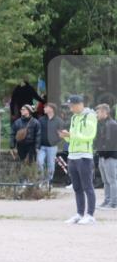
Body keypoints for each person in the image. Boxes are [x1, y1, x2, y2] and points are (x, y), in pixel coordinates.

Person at [58, 95, 98, 225]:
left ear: (79, 104)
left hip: (84, 156)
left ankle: (90, 215)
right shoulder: (74, 117)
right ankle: (80, 214)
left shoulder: (90, 116)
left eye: (71, 106)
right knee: (77, 187)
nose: (70, 109)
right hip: (72, 156)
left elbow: (89, 136)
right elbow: (73, 138)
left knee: (88, 187)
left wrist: (71, 135)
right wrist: (66, 137)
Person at [94, 103, 117, 210]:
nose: (96, 114)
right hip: (102, 156)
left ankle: (114, 203)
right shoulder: (100, 124)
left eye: (98, 112)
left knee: (112, 180)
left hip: (110, 156)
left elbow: (111, 142)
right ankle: (107, 201)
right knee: (105, 181)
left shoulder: (112, 124)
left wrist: (105, 154)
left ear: (105, 112)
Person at [37, 103, 62, 185]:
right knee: (39, 162)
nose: (44, 108)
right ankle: (41, 180)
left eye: (46, 107)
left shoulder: (58, 121)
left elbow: (61, 134)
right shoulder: (41, 120)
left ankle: (49, 181)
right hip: (42, 146)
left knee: (51, 164)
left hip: (52, 147)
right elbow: (38, 133)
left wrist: (55, 141)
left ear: (51, 109)